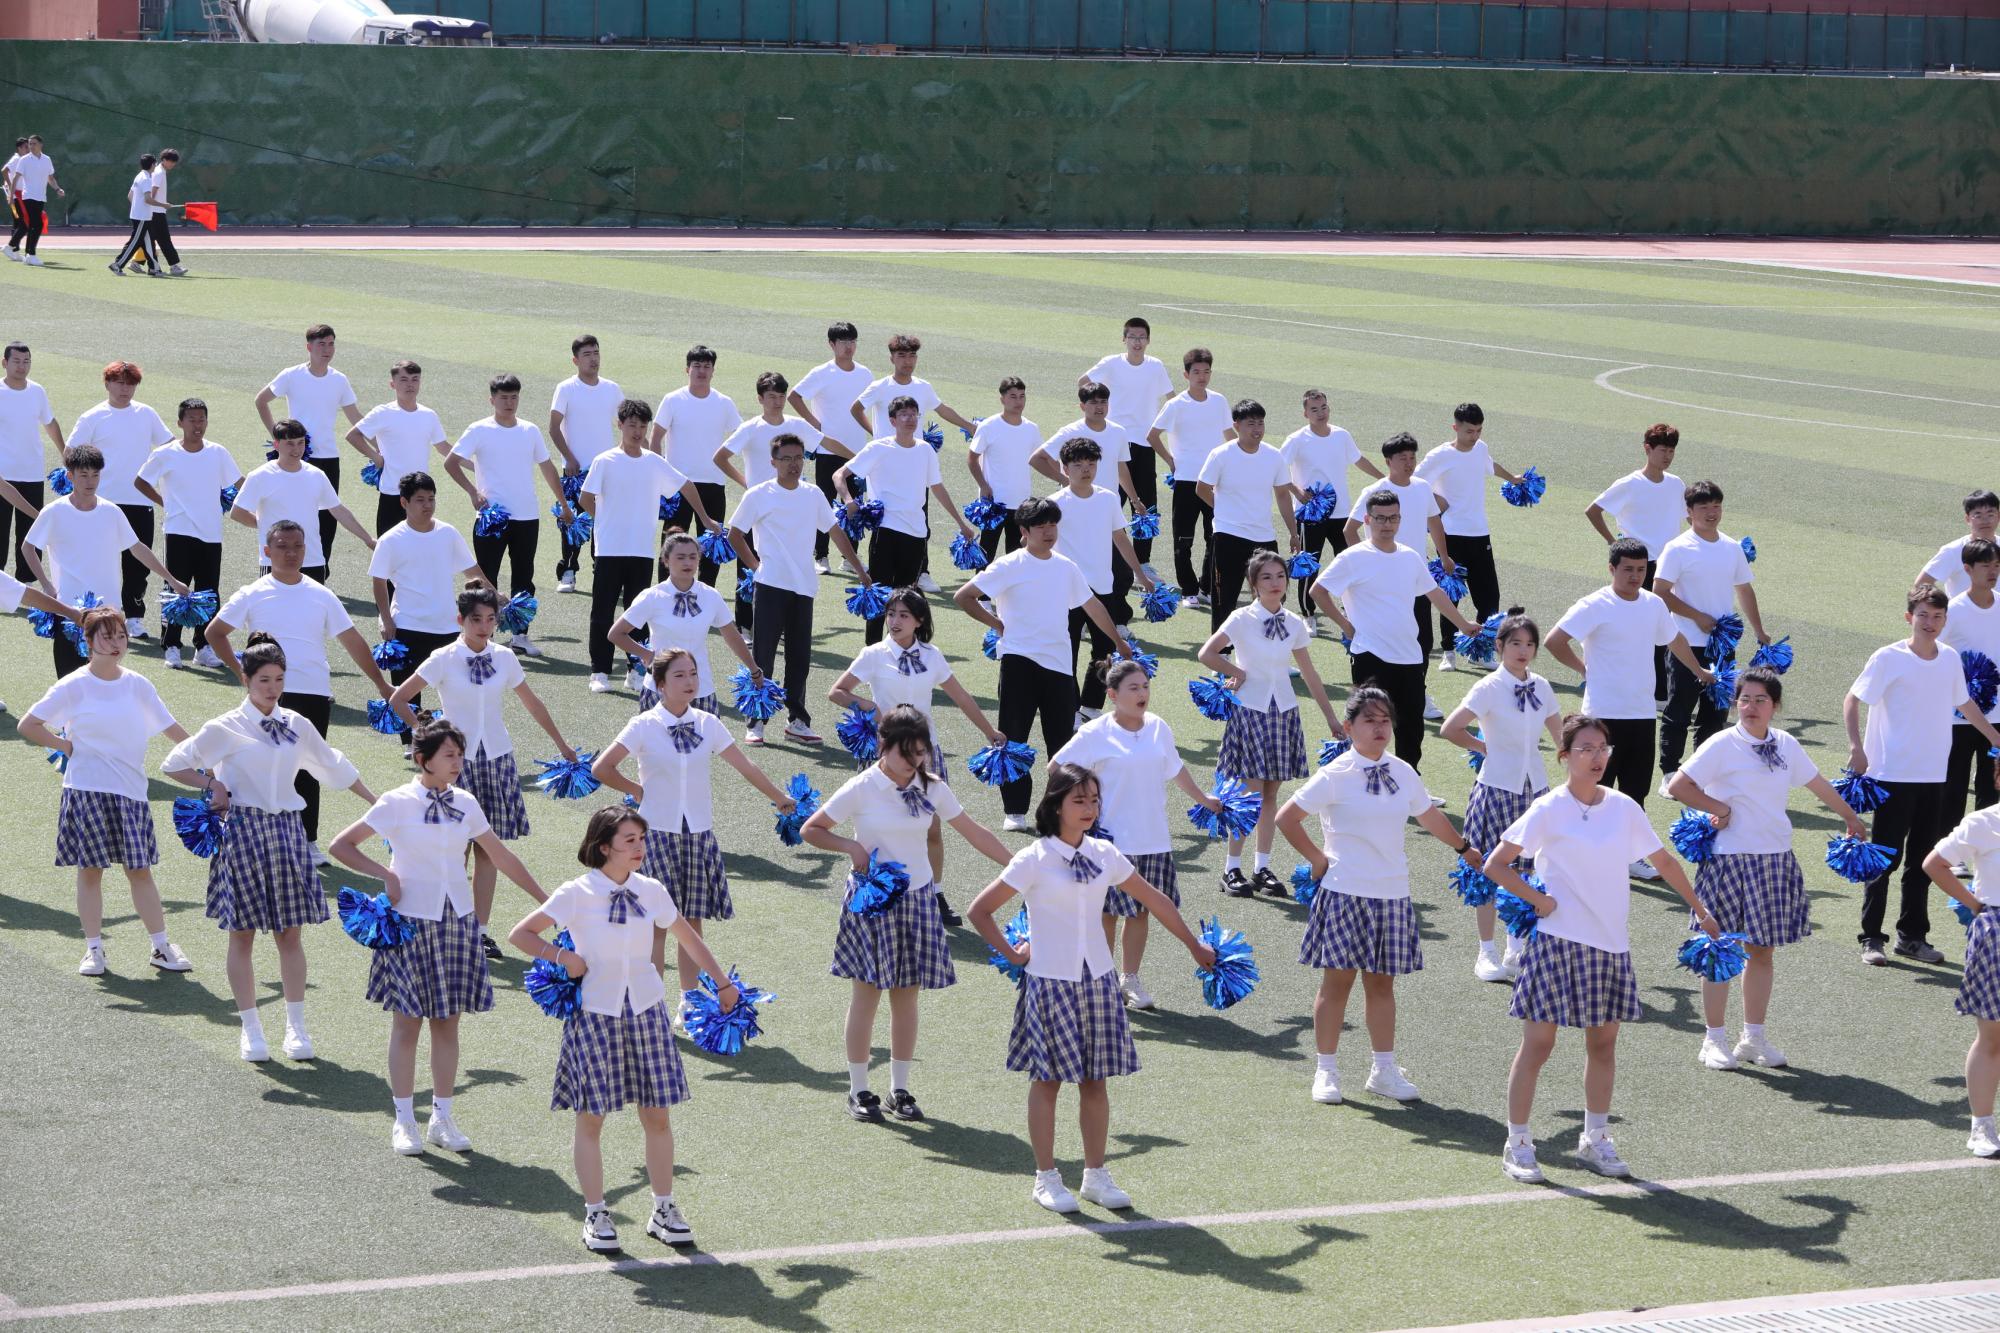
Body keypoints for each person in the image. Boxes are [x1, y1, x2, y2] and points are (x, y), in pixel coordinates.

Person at [967, 760, 1216, 1214]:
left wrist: (1193, 945)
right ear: (1055, 805)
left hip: (1099, 981)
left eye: (1095, 800)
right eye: (1079, 800)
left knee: (1095, 1080)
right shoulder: (1034, 858)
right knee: (1047, 1082)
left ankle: (1095, 1176)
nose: (1089, 808)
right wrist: (1013, 954)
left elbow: (1154, 899)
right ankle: (1046, 1178)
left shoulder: (1105, 854)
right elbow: (979, 911)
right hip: (1049, 981)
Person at [1483, 714, 1720, 1184]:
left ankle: (1594, 1140)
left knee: (1603, 1044)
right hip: (1557, 942)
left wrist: (1700, 909)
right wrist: (1539, 900)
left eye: (1602, 748)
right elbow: (1496, 864)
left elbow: (1662, 861)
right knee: (1538, 1045)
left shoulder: (1624, 808)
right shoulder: (1548, 808)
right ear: (1565, 756)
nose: (1596, 757)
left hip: (1610, 944)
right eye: (1586, 749)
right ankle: (1518, 1142)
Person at [507, 806, 741, 1253]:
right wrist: (563, 957)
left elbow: (688, 937)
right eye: (630, 840)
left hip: (647, 1010)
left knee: (657, 1115)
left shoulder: (651, 890)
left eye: (642, 839)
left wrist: (722, 983)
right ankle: (595, 1213)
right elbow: (521, 934)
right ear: (603, 847)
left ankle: (663, 1208)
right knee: (591, 1118)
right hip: (595, 1013)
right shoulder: (576, 892)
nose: (640, 848)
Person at [328, 720, 547, 1157]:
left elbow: (501, 856)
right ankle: (404, 1120)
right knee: (407, 1023)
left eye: (460, 755)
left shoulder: (466, 802)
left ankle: (442, 1119)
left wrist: (548, 902)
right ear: (422, 759)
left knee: (448, 1022)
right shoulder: (395, 802)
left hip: (458, 922)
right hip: (410, 923)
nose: (458, 763)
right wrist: (386, 874)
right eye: (449, 755)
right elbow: (341, 846)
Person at [162, 633, 375, 1062]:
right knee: (242, 935)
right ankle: (252, 1031)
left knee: (289, 934)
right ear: (245, 679)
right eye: (264, 680)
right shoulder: (224, 726)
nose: (273, 688)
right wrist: (212, 784)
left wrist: (377, 803)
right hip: (242, 832)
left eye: (279, 679)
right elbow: (174, 764)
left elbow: (333, 765)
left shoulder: (297, 724)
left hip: (288, 833)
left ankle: (296, 1029)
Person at [801, 705, 1012, 1122]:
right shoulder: (863, 786)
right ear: (885, 744)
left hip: (918, 899)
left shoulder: (932, 787)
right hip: (873, 902)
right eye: (907, 752)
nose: (914, 761)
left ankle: (898, 1089)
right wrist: (852, 848)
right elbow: (812, 829)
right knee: (866, 995)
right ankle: (859, 1089)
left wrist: (1018, 866)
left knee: (907, 996)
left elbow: (974, 832)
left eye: (920, 753)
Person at [1279, 685, 1483, 1106]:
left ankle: (1383, 1071)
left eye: (1385, 720)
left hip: (1391, 892)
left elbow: (1429, 816)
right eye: (1369, 720)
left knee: (1381, 985)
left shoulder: (1403, 772)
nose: (1379, 728)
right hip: (1344, 891)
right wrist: (1317, 859)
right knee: (1337, 984)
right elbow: (1287, 818)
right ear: (1349, 726)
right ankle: (1326, 1070)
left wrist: (1464, 848)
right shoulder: (1335, 774)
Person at [1666, 666, 1868, 1071]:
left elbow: (1817, 783)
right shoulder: (1722, 744)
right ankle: (1713, 1040)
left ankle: (1752, 1038)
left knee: (1762, 951)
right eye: (1745, 699)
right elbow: (1678, 786)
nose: (1751, 707)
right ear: (1736, 703)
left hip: (1775, 858)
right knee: (1719, 949)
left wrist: (1850, 816)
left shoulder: (1786, 744)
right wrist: (1719, 808)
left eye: (1760, 700)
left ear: (1775, 706)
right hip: (1727, 859)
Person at [593, 647, 798, 1022]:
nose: (689, 681)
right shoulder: (642, 725)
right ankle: (652, 1003)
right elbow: (602, 768)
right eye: (679, 675)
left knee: (690, 922)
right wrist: (637, 791)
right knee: (657, 924)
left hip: (699, 833)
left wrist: (779, 797)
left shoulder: (708, 723)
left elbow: (744, 765)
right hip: (655, 835)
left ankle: (688, 1001)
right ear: (660, 684)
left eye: (693, 673)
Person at [388, 587, 577, 958]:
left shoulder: (505, 657)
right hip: (454, 766)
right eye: (476, 619)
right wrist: (426, 737)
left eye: (491, 619)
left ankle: (480, 931)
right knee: (455, 850)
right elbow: (399, 698)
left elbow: (533, 704)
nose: (484, 626)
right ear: (460, 620)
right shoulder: (443, 658)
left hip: (498, 759)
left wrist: (562, 745)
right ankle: (450, 925)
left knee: (489, 852)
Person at [18, 606, 195, 979]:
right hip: (86, 790)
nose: (117, 643)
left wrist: (206, 759)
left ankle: (161, 946)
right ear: (88, 641)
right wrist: (64, 746)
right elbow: (28, 724)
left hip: (131, 791)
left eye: (121, 636)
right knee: (90, 872)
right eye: (107, 636)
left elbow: (172, 728)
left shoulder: (138, 684)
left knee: (140, 871)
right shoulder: (73, 685)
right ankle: (94, 949)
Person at [208, 519, 396, 858]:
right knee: (265, 765)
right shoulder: (252, 593)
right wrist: (242, 673)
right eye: (282, 547)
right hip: (269, 695)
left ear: (306, 550)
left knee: (308, 765)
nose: (290, 553)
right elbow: (214, 632)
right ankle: (262, 839)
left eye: (297, 546)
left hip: (313, 691)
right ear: (267, 551)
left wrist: (381, 682)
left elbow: (352, 640)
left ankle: (307, 841)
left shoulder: (321, 594)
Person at [829, 588, 1007, 929]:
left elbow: (961, 696)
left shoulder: (932, 655)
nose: (894, 621)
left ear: (919, 620)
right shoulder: (873, 654)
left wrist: (989, 731)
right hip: (886, 755)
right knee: (877, 828)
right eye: (891, 614)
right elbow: (837, 691)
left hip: (926, 753)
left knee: (933, 828)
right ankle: (876, 891)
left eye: (903, 615)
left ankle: (934, 894)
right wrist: (874, 710)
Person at [1844, 585, 2000, 967]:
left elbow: (1964, 703)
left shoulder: (1949, 659)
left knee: (1921, 861)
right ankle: (1871, 938)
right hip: (1892, 775)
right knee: (1884, 859)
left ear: (1945, 621)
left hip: (1934, 776)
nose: (1930, 623)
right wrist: (1856, 748)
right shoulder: (1888, 658)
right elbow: (1852, 699)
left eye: (1937, 617)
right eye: (1923, 615)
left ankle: (1912, 937)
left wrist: (1996, 737)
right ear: (1909, 617)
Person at [955, 497, 1133, 831]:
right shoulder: (1009, 564)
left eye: (1052, 524)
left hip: (1059, 666)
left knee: (1063, 743)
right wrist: (997, 624)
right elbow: (964, 596)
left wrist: (1119, 642)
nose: (1049, 531)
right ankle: (1015, 811)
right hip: (1018, 662)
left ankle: (1056, 812)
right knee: (1014, 736)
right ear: (1024, 531)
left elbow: (1093, 605)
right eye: (1041, 526)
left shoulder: (1066, 566)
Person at [1054, 659, 1221, 1009]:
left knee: (1140, 912)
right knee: (1106, 913)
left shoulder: (1158, 727)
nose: (1142, 693)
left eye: (1145, 686)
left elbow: (1176, 769)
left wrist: (1204, 799)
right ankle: (1101, 980)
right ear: (1113, 695)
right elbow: (1057, 768)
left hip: (1153, 837)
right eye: (1133, 688)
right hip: (1111, 841)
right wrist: (1080, 810)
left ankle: (1129, 979)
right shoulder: (1095, 733)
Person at [1545, 538, 1713, 863]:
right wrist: (1583, 669)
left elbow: (1675, 639)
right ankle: (1584, 856)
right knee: (1595, 790)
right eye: (1628, 569)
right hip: (1601, 717)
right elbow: (1555, 641)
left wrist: (1699, 671)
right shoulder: (1594, 605)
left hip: (1641, 715)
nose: (1635, 576)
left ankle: (1630, 857)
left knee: (1636, 792)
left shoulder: (1653, 605)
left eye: (1641, 569)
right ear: (1612, 569)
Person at [1202, 550, 1344, 896]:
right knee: (1248, 793)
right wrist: (1236, 672)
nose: (1275, 582)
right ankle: (1231, 869)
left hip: (1284, 711)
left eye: (1280, 576)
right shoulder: (1240, 618)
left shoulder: (1293, 622)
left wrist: (1331, 717)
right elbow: (1207, 653)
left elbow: (1309, 673)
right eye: (1266, 577)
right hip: (1250, 710)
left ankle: (1261, 868)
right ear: (1254, 584)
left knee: (1270, 794)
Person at [1312, 490, 1480, 772]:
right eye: (1380, 518)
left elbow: (1435, 594)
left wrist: (1463, 625)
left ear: (1400, 520)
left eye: (1393, 518)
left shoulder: (1410, 557)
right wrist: (1346, 626)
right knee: (1368, 729)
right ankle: (1364, 784)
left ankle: (1408, 784)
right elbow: (1318, 591)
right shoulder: (1353, 558)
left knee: (1411, 732)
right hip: (1370, 655)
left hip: (1410, 657)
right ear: (1367, 520)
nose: (1387, 524)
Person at [1439, 609, 1562, 981]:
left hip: (1535, 790)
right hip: (1495, 788)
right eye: (1515, 643)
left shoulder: (1542, 686)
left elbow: (1561, 738)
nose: (1523, 651)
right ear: (1500, 645)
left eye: (1529, 644)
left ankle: (1515, 948)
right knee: (1486, 872)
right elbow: (1450, 728)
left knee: (1526, 869)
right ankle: (1486, 952)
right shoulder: (1488, 687)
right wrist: (1484, 748)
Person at [733, 433, 867, 747]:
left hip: (804, 587)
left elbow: (835, 532)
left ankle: (797, 721)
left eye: (798, 458)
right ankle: (756, 721)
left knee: (799, 658)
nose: (793, 464)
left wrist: (861, 570)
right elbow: (735, 534)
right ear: (773, 462)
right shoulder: (758, 494)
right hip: (770, 585)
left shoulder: (813, 494)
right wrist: (756, 567)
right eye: (786, 459)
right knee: (763, 656)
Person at [581, 400, 715, 694]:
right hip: (609, 549)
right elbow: (585, 498)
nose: (638, 431)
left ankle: (635, 669)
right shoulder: (605, 460)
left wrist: (705, 519)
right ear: (620, 425)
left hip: (642, 550)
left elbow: (686, 485)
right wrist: (605, 521)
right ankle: (599, 671)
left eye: (643, 426)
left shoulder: (654, 462)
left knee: (639, 611)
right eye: (632, 425)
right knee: (603, 609)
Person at [23, 444, 188, 678]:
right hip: (70, 611)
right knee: (68, 681)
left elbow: (137, 548)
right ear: (70, 476)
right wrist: (47, 585)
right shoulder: (53, 512)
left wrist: (172, 580)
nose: (90, 481)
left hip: (108, 612)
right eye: (84, 475)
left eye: (95, 475)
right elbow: (28, 547)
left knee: (106, 681)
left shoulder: (111, 512)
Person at [445, 373, 574, 655]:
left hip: (526, 516)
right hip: (492, 518)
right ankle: (482, 638)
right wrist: (472, 492)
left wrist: (564, 504)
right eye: (503, 397)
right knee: (484, 578)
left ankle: (520, 636)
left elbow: (547, 467)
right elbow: (451, 462)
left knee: (524, 577)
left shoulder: (529, 430)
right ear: (492, 399)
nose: (509, 402)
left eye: (514, 397)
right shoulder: (479, 429)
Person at [834, 395, 977, 646]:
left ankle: (901, 649)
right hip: (886, 531)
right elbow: (839, 475)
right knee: (879, 594)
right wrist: (848, 499)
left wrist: (961, 523)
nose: (910, 419)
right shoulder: (878, 448)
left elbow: (937, 488)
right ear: (892, 420)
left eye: (914, 414)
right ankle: (872, 650)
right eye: (904, 414)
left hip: (916, 534)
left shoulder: (925, 450)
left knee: (906, 599)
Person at [1653, 479, 1770, 779]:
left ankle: (1700, 773)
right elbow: (1660, 592)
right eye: (1704, 507)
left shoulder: (1731, 548)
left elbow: (1744, 590)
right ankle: (1670, 772)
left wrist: (1759, 631)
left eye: (1716, 506)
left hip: (1722, 646)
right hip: (1685, 642)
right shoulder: (1677, 548)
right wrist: (1697, 617)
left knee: (1715, 713)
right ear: (1689, 511)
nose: (1711, 512)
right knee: (1679, 709)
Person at [368, 471, 488, 752]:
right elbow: (378, 581)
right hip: (407, 625)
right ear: (404, 502)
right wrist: (385, 618)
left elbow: (472, 570)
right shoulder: (391, 540)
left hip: (447, 626)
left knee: (457, 687)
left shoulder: (448, 533)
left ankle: (459, 738)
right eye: (420, 500)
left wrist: (494, 595)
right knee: (408, 690)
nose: (427, 505)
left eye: (431, 499)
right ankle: (414, 742)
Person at [848, 333, 977, 594]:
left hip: (915, 458)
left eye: (912, 355)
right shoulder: (880, 386)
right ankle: (881, 573)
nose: (907, 361)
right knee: (888, 514)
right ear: (892, 358)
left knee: (919, 511)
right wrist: (876, 434)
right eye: (902, 356)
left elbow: (942, 409)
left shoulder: (923, 387)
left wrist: (969, 426)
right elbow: (856, 408)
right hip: (885, 462)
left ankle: (922, 571)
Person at [1344, 433, 1454, 716]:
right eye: (1402, 458)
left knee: (1423, 640)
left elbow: (1434, 523)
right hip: (1381, 585)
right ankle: (1378, 700)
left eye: (1412, 457)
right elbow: (1349, 530)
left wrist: (1443, 556)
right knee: (1383, 641)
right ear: (1388, 461)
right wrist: (1364, 566)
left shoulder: (1422, 488)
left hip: (1415, 579)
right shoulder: (1374, 492)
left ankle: (1419, 692)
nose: (1409, 463)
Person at [1416, 404, 1530, 669]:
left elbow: (1490, 465)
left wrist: (1513, 478)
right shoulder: (1440, 455)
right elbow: (1414, 482)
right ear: (1455, 427)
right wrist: (1436, 502)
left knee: (1489, 598)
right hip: (1451, 535)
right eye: (1469, 431)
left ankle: (1479, 651)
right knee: (1451, 596)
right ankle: (1449, 652)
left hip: (1480, 533)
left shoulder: (1480, 448)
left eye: (1479, 430)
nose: (1475, 436)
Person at [610, 532, 763, 726]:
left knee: (706, 744)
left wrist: (754, 670)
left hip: (701, 687)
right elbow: (616, 634)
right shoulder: (652, 596)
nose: (687, 562)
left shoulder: (711, 596)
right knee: (657, 745)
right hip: (660, 689)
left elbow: (732, 636)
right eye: (680, 557)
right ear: (666, 560)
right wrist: (648, 655)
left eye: (692, 557)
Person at [715, 372, 829, 630]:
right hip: (757, 507)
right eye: (771, 397)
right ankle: (745, 625)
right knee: (748, 565)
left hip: (789, 507)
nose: (777, 402)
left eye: (781, 396)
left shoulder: (797, 425)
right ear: (760, 399)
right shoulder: (750, 428)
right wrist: (746, 482)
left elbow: (825, 443)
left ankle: (782, 624)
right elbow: (720, 457)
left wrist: (854, 458)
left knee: (785, 564)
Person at [1048, 435, 1152, 716]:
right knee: (1066, 652)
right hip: (1066, 591)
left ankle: (1091, 706)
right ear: (1065, 468)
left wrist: (1141, 575)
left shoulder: (1108, 498)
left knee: (1104, 650)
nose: (1086, 470)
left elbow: (1121, 539)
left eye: (1091, 464)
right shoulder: (1054, 503)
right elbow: (1036, 543)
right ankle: (1068, 708)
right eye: (1078, 464)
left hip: (1103, 587)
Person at [134, 397, 241, 669]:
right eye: (192, 420)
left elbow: (239, 483)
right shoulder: (165, 454)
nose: (197, 425)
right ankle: (171, 646)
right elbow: (140, 481)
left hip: (211, 533)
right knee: (176, 589)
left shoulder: (218, 453)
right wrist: (164, 502)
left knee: (208, 592)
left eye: (202, 419)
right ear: (180, 423)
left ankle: (203, 647)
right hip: (178, 531)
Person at [68, 360, 172, 637]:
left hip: (140, 501)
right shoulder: (92, 417)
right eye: (119, 382)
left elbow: (170, 447)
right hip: (100, 502)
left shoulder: (146, 414)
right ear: (107, 384)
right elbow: (71, 453)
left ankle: (134, 617)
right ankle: (94, 613)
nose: (125, 389)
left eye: (131, 384)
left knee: (137, 564)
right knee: (100, 559)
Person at [1586, 423, 1685, 703]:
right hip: (1640, 567)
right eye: (1663, 450)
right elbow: (1593, 511)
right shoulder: (1630, 484)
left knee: (1665, 627)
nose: (1667, 456)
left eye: (1671, 451)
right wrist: (1613, 542)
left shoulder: (1676, 484)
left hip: (1670, 567)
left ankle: (1661, 690)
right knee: (1642, 628)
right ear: (1647, 449)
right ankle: (1654, 692)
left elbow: (1691, 519)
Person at [1920, 817, 2000, 1158]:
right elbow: (1934, 864)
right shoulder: (1984, 821)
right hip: (1996, 932)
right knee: (1993, 1036)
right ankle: (1981, 1126)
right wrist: (1975, 905)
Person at [256, 325, 363, 568]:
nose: (327, 349)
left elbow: (355, 417)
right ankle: (287, 568)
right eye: (321, 344)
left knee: (328, 517)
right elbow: (261, 400)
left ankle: (320, 569)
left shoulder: (339, 380)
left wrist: (378, 444)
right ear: (309, 347)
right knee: (296, 513)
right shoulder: (291, 375)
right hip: (297, 455)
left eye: (331, 344)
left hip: (329, 457)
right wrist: (279, 437)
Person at [230, 418, 376, 584]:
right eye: (290, 443)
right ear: (276, 445)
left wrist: (368, 539)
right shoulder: (260, 476)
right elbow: (237, 512)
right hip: (274, 562)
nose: (297, 449)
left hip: (313, 561)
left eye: (301, 443)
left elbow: (338, 510)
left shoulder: (316, 475)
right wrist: (265, 525)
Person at [1082, 317, 1175, 569]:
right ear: (1124, 339)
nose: (1137, 342)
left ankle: (1142, 563)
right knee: (1111, 501)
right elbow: (1083, 382)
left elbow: (1172, 400)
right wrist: (1096, 412)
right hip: (1113, 443)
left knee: (1146, 504)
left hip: (1144, 444)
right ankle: (1103, 557)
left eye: (1141, 337)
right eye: (1132, 337)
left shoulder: (1155, 366)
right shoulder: (1111, 363)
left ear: (1148, 340)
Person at [1280, 388, 1380, 624]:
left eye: (1323, 407)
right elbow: (1276, 466)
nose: (1320, 413)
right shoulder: (1296, 439)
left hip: (1341, 512)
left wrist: (1383, 478)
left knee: (1348, 561)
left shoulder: (1341, 435)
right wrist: (1296, 491)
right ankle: (1308, 614)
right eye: (1314, 409)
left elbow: (1358, 460)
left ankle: (1349, 607)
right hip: (1310, 514)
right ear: (1305, 413)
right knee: (1309, 563)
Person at [1195, 399, 1296, 629]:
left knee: (1272, 598)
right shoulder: (1221, 454)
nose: (1257, 429)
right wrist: (1223, 509)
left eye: (1260, 423)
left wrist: (1293, 532)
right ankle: (1222, 649)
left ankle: (1269, 647)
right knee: (1224, 600)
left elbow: (1282, 495)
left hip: (1264, 537)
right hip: (1228, 536)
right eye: (1251, 423)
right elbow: (1201, 488)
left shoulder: (1274, 456)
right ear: (1236, 426)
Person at [1147, 348, 1232, 609]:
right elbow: (1152, 436)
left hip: (1214, 481)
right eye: (1196, 372)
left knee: (1214, 536)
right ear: (1186, 374)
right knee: (1183, 539)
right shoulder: (1175, 405)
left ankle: (1207, 587)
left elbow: (1230, 435)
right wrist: (1171, 461)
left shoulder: (1219, 401)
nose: (1202, 376)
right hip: (1185, 480)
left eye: (1206, 371)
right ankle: (1189, 590)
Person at [651, 345, 742, 588]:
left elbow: (742, 436)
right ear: (687, 369)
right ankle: (665, 593)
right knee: (671, 543)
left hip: (713, 484)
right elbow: (655, 439)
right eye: (697, 366)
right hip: (677, 486)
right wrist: (661, 478)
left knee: (712, 546)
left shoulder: (724, 403)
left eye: (706, 366)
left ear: (713, 371)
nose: (702, 371)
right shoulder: (672, 400)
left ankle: (705, 594)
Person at [789, 321, 872, 572]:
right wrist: (813, 421)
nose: (849, 347)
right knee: (824, 502)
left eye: (852, 341)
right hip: (827, 450)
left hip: (857, 451)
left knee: (855, 504)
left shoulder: (865, 374)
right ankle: (821, 556)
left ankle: (850, 558)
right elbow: (794, 396)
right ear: (832, 345)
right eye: (843, 342)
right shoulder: (821, 372)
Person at [548, 333, 625, 594]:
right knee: (573, 521)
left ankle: (602, 571)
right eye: (587, 355)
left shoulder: (611, 389)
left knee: (605, 520)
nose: (593, 359)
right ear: (575, 360)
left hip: (607, 468)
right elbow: (553, 428)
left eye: (596, 353)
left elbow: (627, 422)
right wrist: (569, 457)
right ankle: (568, 571)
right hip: (575, 470)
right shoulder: (566, 388)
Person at [346, 360, 448, 536]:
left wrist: (475, 465)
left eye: (415, 379)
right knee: (389, 548)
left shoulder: (429, 415)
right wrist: (376, 457)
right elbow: (353, 435)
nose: (410, 384)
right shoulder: (383, 412)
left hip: (420, 497)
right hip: (391, 494)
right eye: (404, 380)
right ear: (392, 384)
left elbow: (444, 447)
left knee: (420, 546)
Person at [1942, 539, 2000, 825]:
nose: (1993, 571)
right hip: (1958, 717)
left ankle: (1985, 848)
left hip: (1997, 718)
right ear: (1967, 569)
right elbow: (1934, 654)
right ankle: (1947, 846)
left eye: (1997, 565)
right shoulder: (1952, 611)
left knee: (1992, 792)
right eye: (1986, 565)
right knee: (1953, 790)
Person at [0, 341, 66, 580]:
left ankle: (26, 584)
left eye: (26, 361)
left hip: (32, 473)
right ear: (5, 363)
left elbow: (49, 422)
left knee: (31, 532)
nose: (22, 366)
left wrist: (65, 452)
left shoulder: (37, 391)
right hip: (2, 475)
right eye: (16, 361)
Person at [967, 376, 1042, 561]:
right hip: (994, 501)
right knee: (986, 552)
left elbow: (1042, 458)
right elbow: (972, 459)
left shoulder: (1031, 428)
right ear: (1002, 399)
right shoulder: (988, 426)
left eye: (1022, 396)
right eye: (1013, 396)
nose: (1018, 401)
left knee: (1016, 555)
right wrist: (983, 485)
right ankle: (981, 582)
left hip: (1021, 503)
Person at [1916, 489, 1999, 600]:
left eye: (1990, 514)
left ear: (1998, 516)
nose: (1985, 520)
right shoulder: (1953, 550)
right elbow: (1922, 584)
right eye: (1978, 515)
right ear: (1967, 519)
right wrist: (1947, 606)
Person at [5, 134, 60, 266]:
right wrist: (11, 196)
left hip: (41, 197)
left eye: (34, 143)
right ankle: (31, 254)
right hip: (28, 196)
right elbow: (15, 178)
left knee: (33, 225)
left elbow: (50, 178)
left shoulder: (47, 159)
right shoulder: (24, 160)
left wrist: (57, 189)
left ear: (41, 144)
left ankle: (23, 252)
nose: (31, 146)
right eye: (30, 144)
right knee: (37, 224)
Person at [109, 153, 164, 278]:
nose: (155, 166)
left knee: (149, 242)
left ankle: (154, 268)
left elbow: (130, 196)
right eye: (155, 163)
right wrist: (163, 205)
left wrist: (138, 208)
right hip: (142, 218)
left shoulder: (140, 176)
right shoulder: (146, 179)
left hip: (142, 216)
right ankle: (117, 264)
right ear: (152, 165)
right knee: (134, 242)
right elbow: (148, 199)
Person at [144, 147, 186, 277]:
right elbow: (152, 192)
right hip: (156, 212)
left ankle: (136, 262)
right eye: (171, 161)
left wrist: (162, 204)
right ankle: (174, 266)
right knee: (164, 239)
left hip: (156, 211)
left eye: (174, 162)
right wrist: (162, 205)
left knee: (149, 239)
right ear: (164, 160)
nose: (173, 164)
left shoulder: (160, 171)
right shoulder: (159, 173)